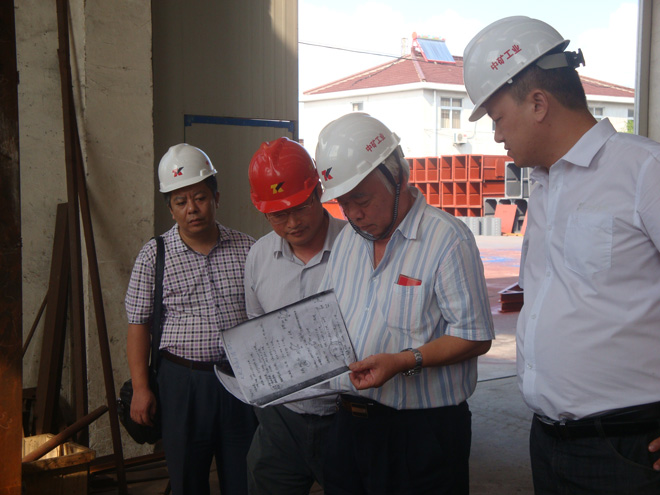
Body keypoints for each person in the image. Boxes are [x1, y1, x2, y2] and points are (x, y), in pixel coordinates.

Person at [463, 16, 660, 494]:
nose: (497, 136)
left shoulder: (643, 171)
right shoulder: (546, 186)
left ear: (537, 103)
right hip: (548, 442)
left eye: (497, 118)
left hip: (627, 448)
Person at [314, 112, 495, 495]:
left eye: (361, 199)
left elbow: (475, 336)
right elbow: (327, 318)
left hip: (421, 435)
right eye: (343, 203)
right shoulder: (348, 242)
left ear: (396, 174)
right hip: (348, 426)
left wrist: (403, 361)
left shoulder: (447, 240)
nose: (354, 214)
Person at [125, 143, 257, 495]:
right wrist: (141, 388)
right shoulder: (154, 255)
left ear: (216, 198)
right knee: (187, 479)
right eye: (180, 202)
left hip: (239, 380)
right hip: (182, 384)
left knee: (243, 477)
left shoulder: (248, 249)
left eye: (200, 198)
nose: (192, 209)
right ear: (170, 209)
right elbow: (138, 325)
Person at [243, 137, 347, 494]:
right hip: (281, 420)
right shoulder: (259, 257)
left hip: (347, 414)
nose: (292, 223)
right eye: (278, 215)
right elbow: (258, 331)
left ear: (318, 191)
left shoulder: (357, 248)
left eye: (301, 207)